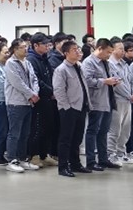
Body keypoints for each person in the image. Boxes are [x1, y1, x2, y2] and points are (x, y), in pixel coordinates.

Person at [82, 39, 121, 171]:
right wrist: (104, 81)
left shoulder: (106, 63)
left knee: (104, 131)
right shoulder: (89, 62)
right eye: (108, 52)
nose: (109, 55)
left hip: (108, 100)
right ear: (99, 49)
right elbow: (87, 81)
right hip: (96, 101)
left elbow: (109, 78)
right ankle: (91, 161)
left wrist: (114, 81)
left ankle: (103, 159)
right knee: (92, 131)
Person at [52, 42, 89, 178]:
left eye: (78, 49)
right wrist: (66, 107)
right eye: (74, 50)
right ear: (66, 53)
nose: (78, 51)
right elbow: (59, 91)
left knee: (77, 138)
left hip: (81, 106)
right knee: (66, 139)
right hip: (69, 109)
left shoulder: (79, 66)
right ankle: (63, 167)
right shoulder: (61, 70)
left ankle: (75, 164)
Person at [5, 39, 40, 173]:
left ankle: (22, 158)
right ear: (15, 49)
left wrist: (35, 93)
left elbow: (34, 79)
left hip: (28, 102)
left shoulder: (27, 62)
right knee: (14, 133)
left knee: (25, 133)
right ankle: (11, 160)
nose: (26, 49)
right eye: (22, 47)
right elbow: (17, 82)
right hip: (16, 102)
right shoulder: (10, 63)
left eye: (26, 47)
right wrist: (31, 94)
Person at [26, 34, 58, 167]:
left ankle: (44, 155)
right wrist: (50, 91)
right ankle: (34, 155)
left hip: (49, 98)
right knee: (37, 128)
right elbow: (36, 80)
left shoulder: (45, 58)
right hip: (39, 98)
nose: (47, 47)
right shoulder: (31, 59)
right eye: (45, 45)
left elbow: (51, 75)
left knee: (48, 127)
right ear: (36, 45)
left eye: (49, 44)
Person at [106, 40, 133, 165]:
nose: (123, 51)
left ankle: (121, 153)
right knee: (115, 129)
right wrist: (130, 95)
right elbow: (117, 84)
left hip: (128, 100)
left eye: (123, 48)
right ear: (112, 50)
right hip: (118, 100)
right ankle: (111, 154)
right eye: (120, 48)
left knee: (126, 129)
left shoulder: (124, 64)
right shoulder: (109, 65)